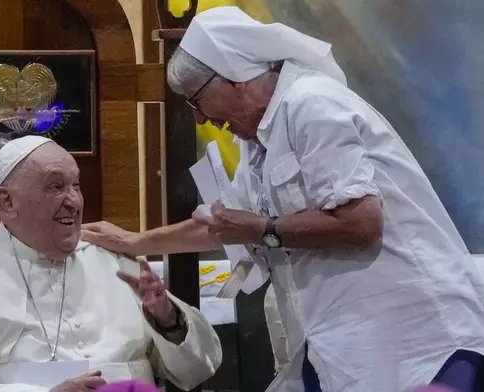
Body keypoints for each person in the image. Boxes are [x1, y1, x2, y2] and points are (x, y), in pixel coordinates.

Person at [80, 6, 484, 392]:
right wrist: (134, 241)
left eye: (195, 100)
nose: (201, 118)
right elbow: (224, 226)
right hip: (347, 336)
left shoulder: (312, 105)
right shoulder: (259, 141)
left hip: (412, 334)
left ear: (233, 78)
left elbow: (362, 225)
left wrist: (264, 229)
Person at [0, 136, 222, 392]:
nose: (73, 201)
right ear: (7, 201)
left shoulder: (118, 266)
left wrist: (168, 320)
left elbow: (196, 371)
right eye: (55, 186)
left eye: (76, 185)